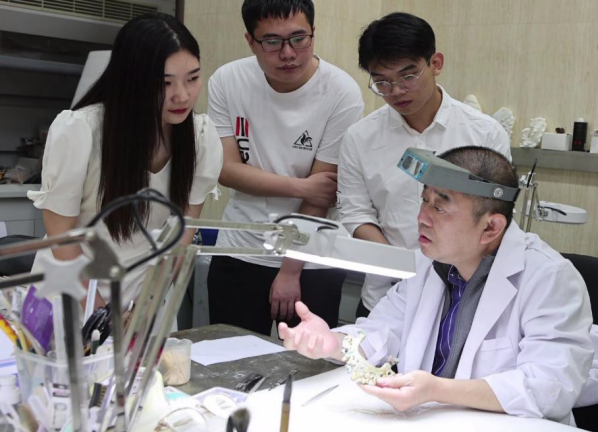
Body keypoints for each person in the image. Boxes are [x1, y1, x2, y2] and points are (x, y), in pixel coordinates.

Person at [281, 147, 593, 422]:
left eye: (440, 208)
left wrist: (437, 390)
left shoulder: (549, 278)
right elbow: (385, 330)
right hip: (431, 424)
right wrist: (334, 343)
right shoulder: (428, 262)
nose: (422, 217)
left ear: (491, 227)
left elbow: (548, 387)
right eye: (425, 200)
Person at [28, 13, 222, 306]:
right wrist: (104, 314)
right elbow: (61, 237)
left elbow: (181, 236)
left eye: (192, 78)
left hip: (144, 301)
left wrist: (146, 306)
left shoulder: (200, 137)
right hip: (71, 295)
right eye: (165, 83)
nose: (182, 96)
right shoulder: (81, 130)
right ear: (131, 80)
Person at [337, 12, 511, 319]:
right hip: (385, 297)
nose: (396, 91)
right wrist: (400, 265)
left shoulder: (484, 134)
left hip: (460, 299)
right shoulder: (360, 137)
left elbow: (495, 217)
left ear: (436, 63)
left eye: (408, 76)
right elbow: (355, 212)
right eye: (382, 82)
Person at [207, 0, 364, 334]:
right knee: (228, 356)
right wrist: (301, 186)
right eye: (272, 42)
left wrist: (291, 270)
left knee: (308, 361)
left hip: (313, 258)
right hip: (241, 247)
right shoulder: (227, 80)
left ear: (313, 33)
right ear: (250, 41)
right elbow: (226, 170)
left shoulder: (342, 92)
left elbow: (323, 192)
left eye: (299, 39)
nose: (288, 53)